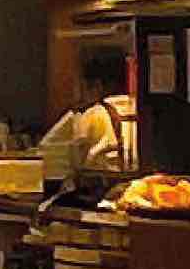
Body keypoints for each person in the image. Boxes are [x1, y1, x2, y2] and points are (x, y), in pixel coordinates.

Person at [44, 41, 143, 206]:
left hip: (99, 199)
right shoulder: (142, 111)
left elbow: (54, 161)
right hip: (138, 196)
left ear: (96, 85)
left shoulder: (92, 115)